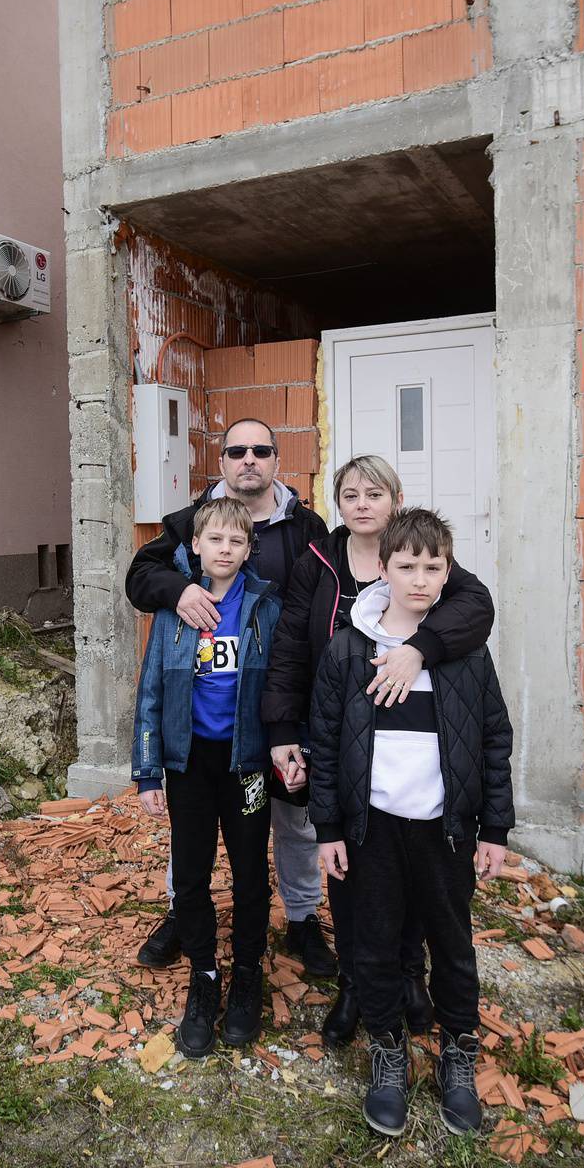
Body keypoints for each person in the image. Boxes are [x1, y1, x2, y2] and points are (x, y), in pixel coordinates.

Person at [262, 456, 495, 1049]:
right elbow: (290, 645)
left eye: (375, 492)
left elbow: (477, 610)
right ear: (337, 503)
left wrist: (420, 649)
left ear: (395, 499)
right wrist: (285, 727)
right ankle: (357, 984)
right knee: (357, 877)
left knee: (412, 867)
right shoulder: (319, 561)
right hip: (341, 731)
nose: (362, 503)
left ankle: (410, 977)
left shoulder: (423, 560)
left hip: (415, 748)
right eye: (349, 493)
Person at [307, 508, 514, 1138]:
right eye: (407, 565)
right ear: (383, 569)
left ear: (449, 571)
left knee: (450, 945)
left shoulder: (464, 655)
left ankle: (457, 1056)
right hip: (370, 830)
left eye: (434, 566)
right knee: (370, 944)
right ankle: (388, 1055)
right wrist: (330, 829)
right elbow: (325, 741)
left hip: (443, 830)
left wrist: (495, 831)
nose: (421, 579)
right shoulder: (349, 649)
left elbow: (493, 741)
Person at [124, 417, 339, 977]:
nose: (249, 459)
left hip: (281, 708)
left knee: (293, 821)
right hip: (207, 724)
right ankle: (183, 913)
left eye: (261, 450)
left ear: (275, 460)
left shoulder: (307, 527)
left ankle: (300, 917)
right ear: (221, 463)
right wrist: (181, 588)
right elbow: (140, 575)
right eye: (236, 450)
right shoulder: (190, 522)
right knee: (191, 832)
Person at [131, 497, 282, 1058]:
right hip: (189, 763)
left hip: (246, 763)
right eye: (215, 540)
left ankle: (246, 972)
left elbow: (282, 682)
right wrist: (148, 772)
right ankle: (204, 974)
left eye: (237, 542)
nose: (225, 549)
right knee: (190, 873)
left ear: (249, 550)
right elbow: (150, 695)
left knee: (248, 871)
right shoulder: (175, 611)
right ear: (195, 546)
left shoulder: (265, 607)